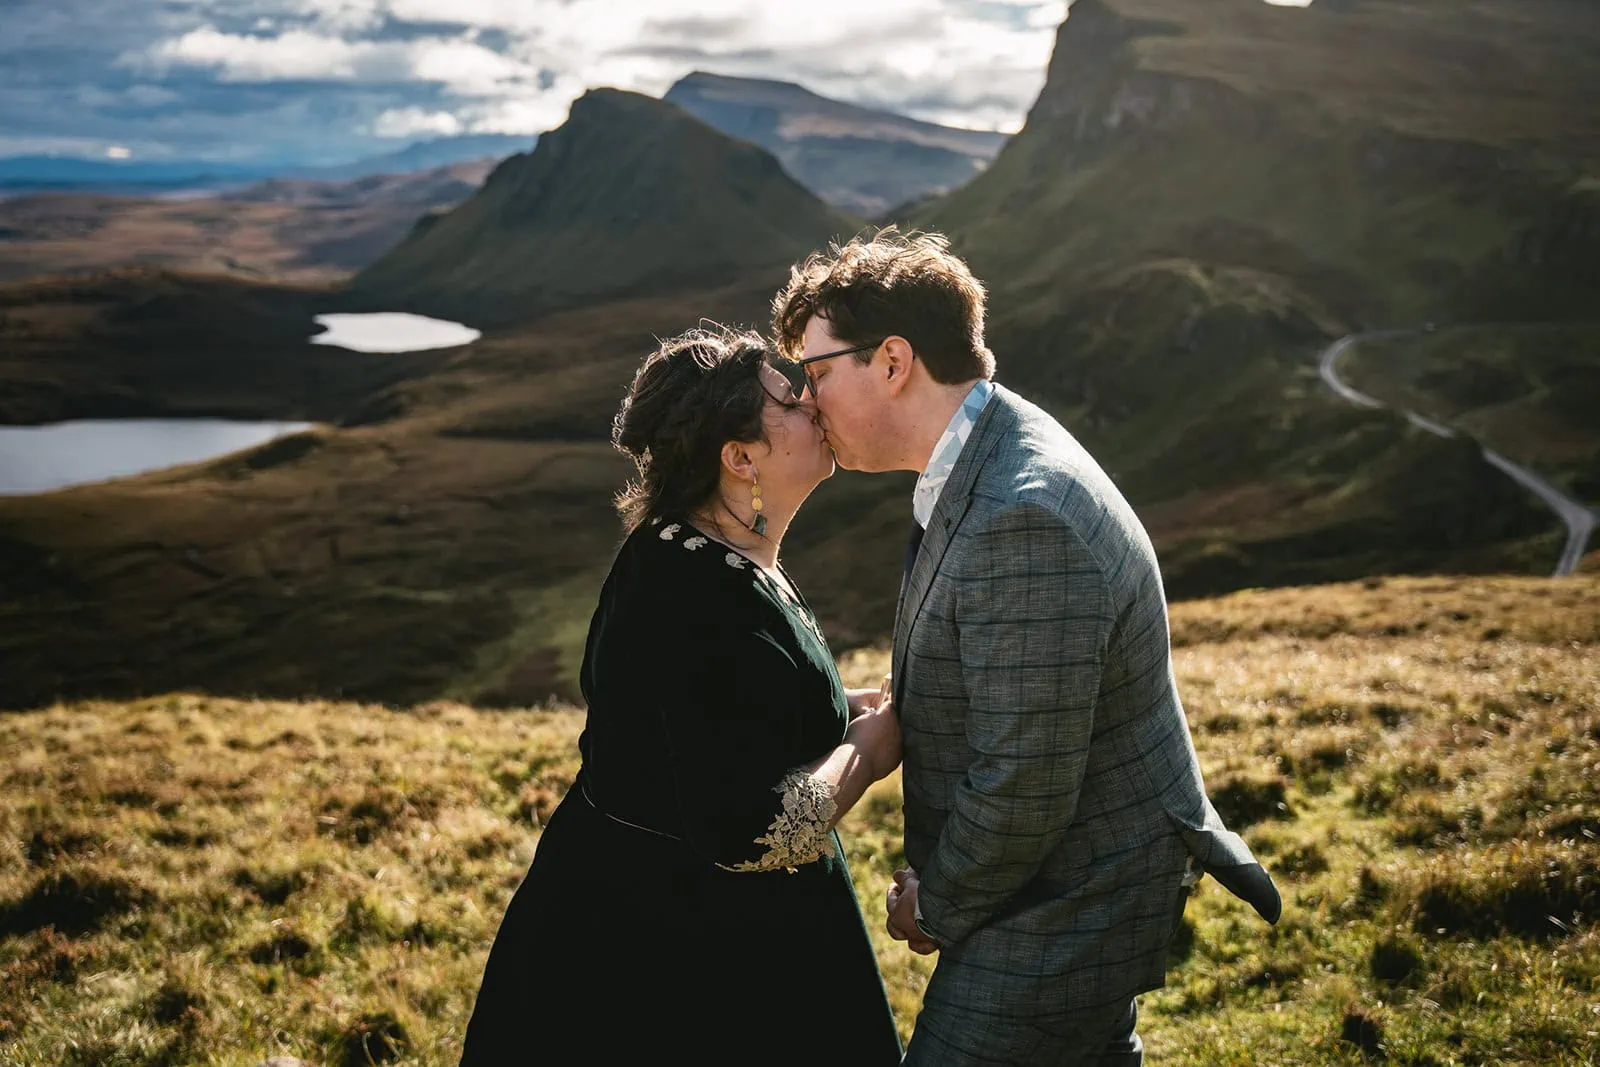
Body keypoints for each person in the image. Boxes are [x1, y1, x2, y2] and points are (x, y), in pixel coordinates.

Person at [770, 228, 1283, 1066]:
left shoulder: (1021, 513)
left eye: (819, 372)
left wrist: (936, 902)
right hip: (1056, 877)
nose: (808, 399)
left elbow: (1025, 776)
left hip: (1069, 898)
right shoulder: (989, 446)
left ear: (892, 361)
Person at [458, 325, 904, 1064]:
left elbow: (731, 717)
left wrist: (833, 711)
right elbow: (751, 828)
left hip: (673, 916)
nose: (814, 405)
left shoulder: (699, 547)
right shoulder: (695, 604)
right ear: (738, 457)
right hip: (668, 954)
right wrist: (866, 751)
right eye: (791, 401)